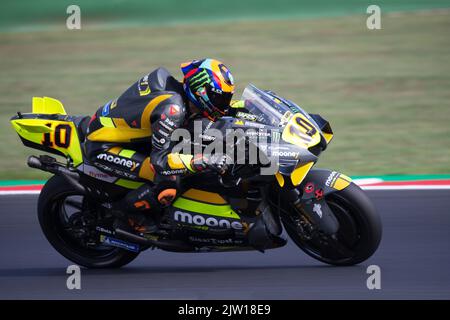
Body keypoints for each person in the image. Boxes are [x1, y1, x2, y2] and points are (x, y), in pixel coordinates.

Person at [84, 58, 235, 232]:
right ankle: (123, 216)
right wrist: (203, 160)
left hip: (133, 137)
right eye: (220, 98)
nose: (223, 104)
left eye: (227, 98)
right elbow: (160, 163)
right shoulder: (172, 110)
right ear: (201, 91)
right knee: (169, 184)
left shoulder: (184, 99)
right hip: (104, 146)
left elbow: (228, 112)